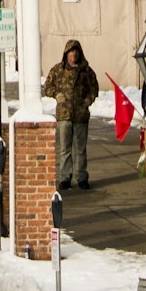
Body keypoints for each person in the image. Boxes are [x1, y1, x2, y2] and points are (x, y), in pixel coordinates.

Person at [42, 38, 98, 193]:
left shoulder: (86, 71)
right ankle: (65, 177)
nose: (73, 54)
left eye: (76, 51)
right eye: (71, 51)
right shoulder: (57, 70)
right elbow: (47, 86)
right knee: (65, 149)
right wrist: (56, 94)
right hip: (64, 115)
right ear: (66, 54)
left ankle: (82, 177)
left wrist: (89, 100)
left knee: (80, 149)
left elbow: (94, 88)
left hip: (81, 114)